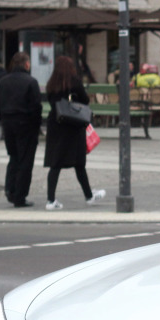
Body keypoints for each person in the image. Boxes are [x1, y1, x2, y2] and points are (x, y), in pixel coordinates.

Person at [43, 55, 105, 210]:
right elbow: (85, 100)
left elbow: (51, 102)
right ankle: (89, 195)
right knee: (79, 164)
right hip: (73, 126)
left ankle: (51, 200)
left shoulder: (51, 84)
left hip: (56, 126)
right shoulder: (74, 82)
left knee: (55, 164)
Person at [0, 52, 43, 207]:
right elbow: (36, 107)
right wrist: (36, 126)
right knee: (25, 161)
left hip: (8, 123)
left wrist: (3, 119)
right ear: (26, 64)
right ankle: (20, 195)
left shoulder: (3, 82)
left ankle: (10, 189)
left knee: (13, 158)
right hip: (26, 124)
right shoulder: (31, 82)